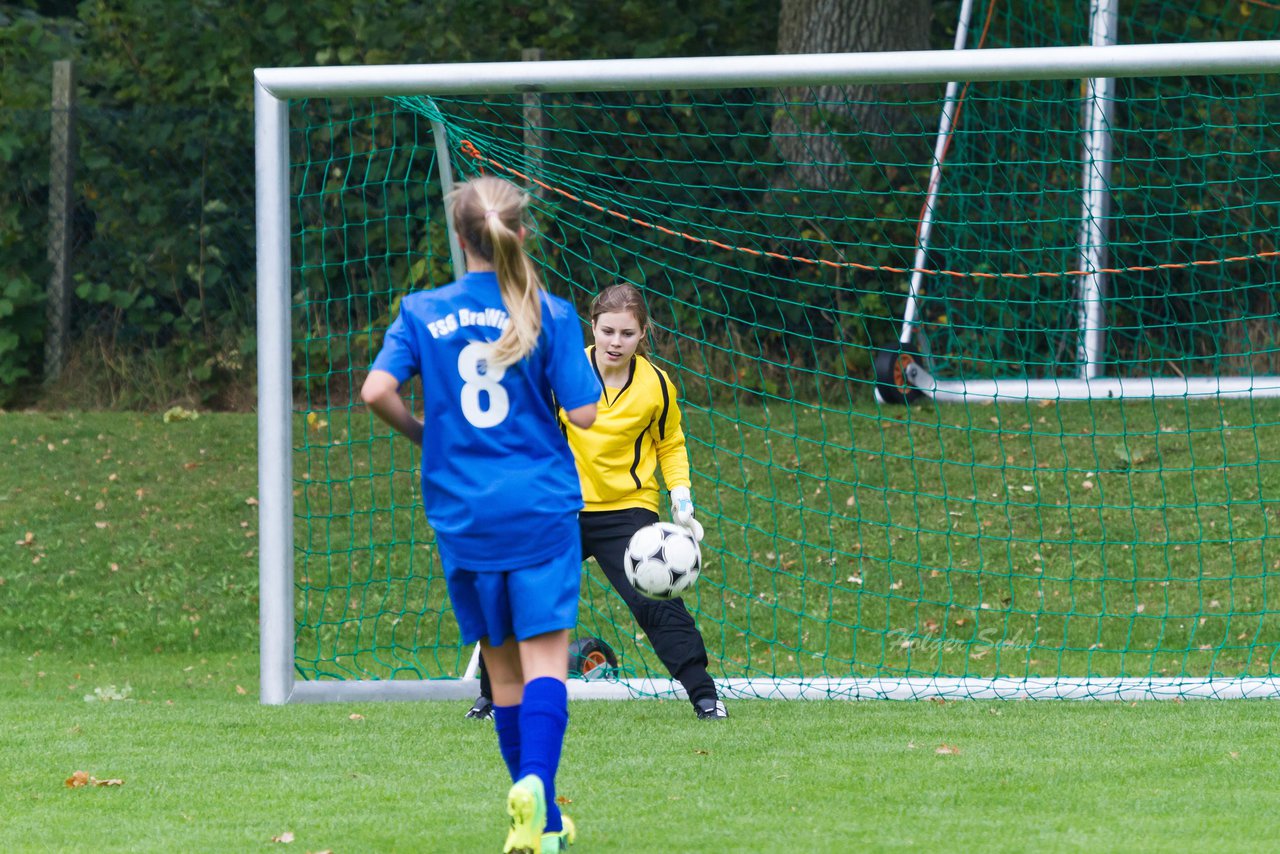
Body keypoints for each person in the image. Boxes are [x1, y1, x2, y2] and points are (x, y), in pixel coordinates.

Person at [361, 175, 599, 854]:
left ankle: (543, 829)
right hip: (540, 507)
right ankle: (536, 787)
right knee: (547, 662)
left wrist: (424, 433)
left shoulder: (419, 310)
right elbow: (582, 412)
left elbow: (376, 390)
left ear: (460, 238)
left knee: (502, 675)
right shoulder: (547, 312)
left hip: (463, 512)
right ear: (520, 235)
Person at [467, 282, 727, 723]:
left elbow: (671, 444)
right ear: (593, 327)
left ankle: (705, 696)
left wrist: (680, 496)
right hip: (562, 506)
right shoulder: (563, 373)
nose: (616, 342)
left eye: (627, 334)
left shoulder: (657, 387)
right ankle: (493, 697)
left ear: (642, 334)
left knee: (655, 604)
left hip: (628, 510)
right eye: (608, 331)